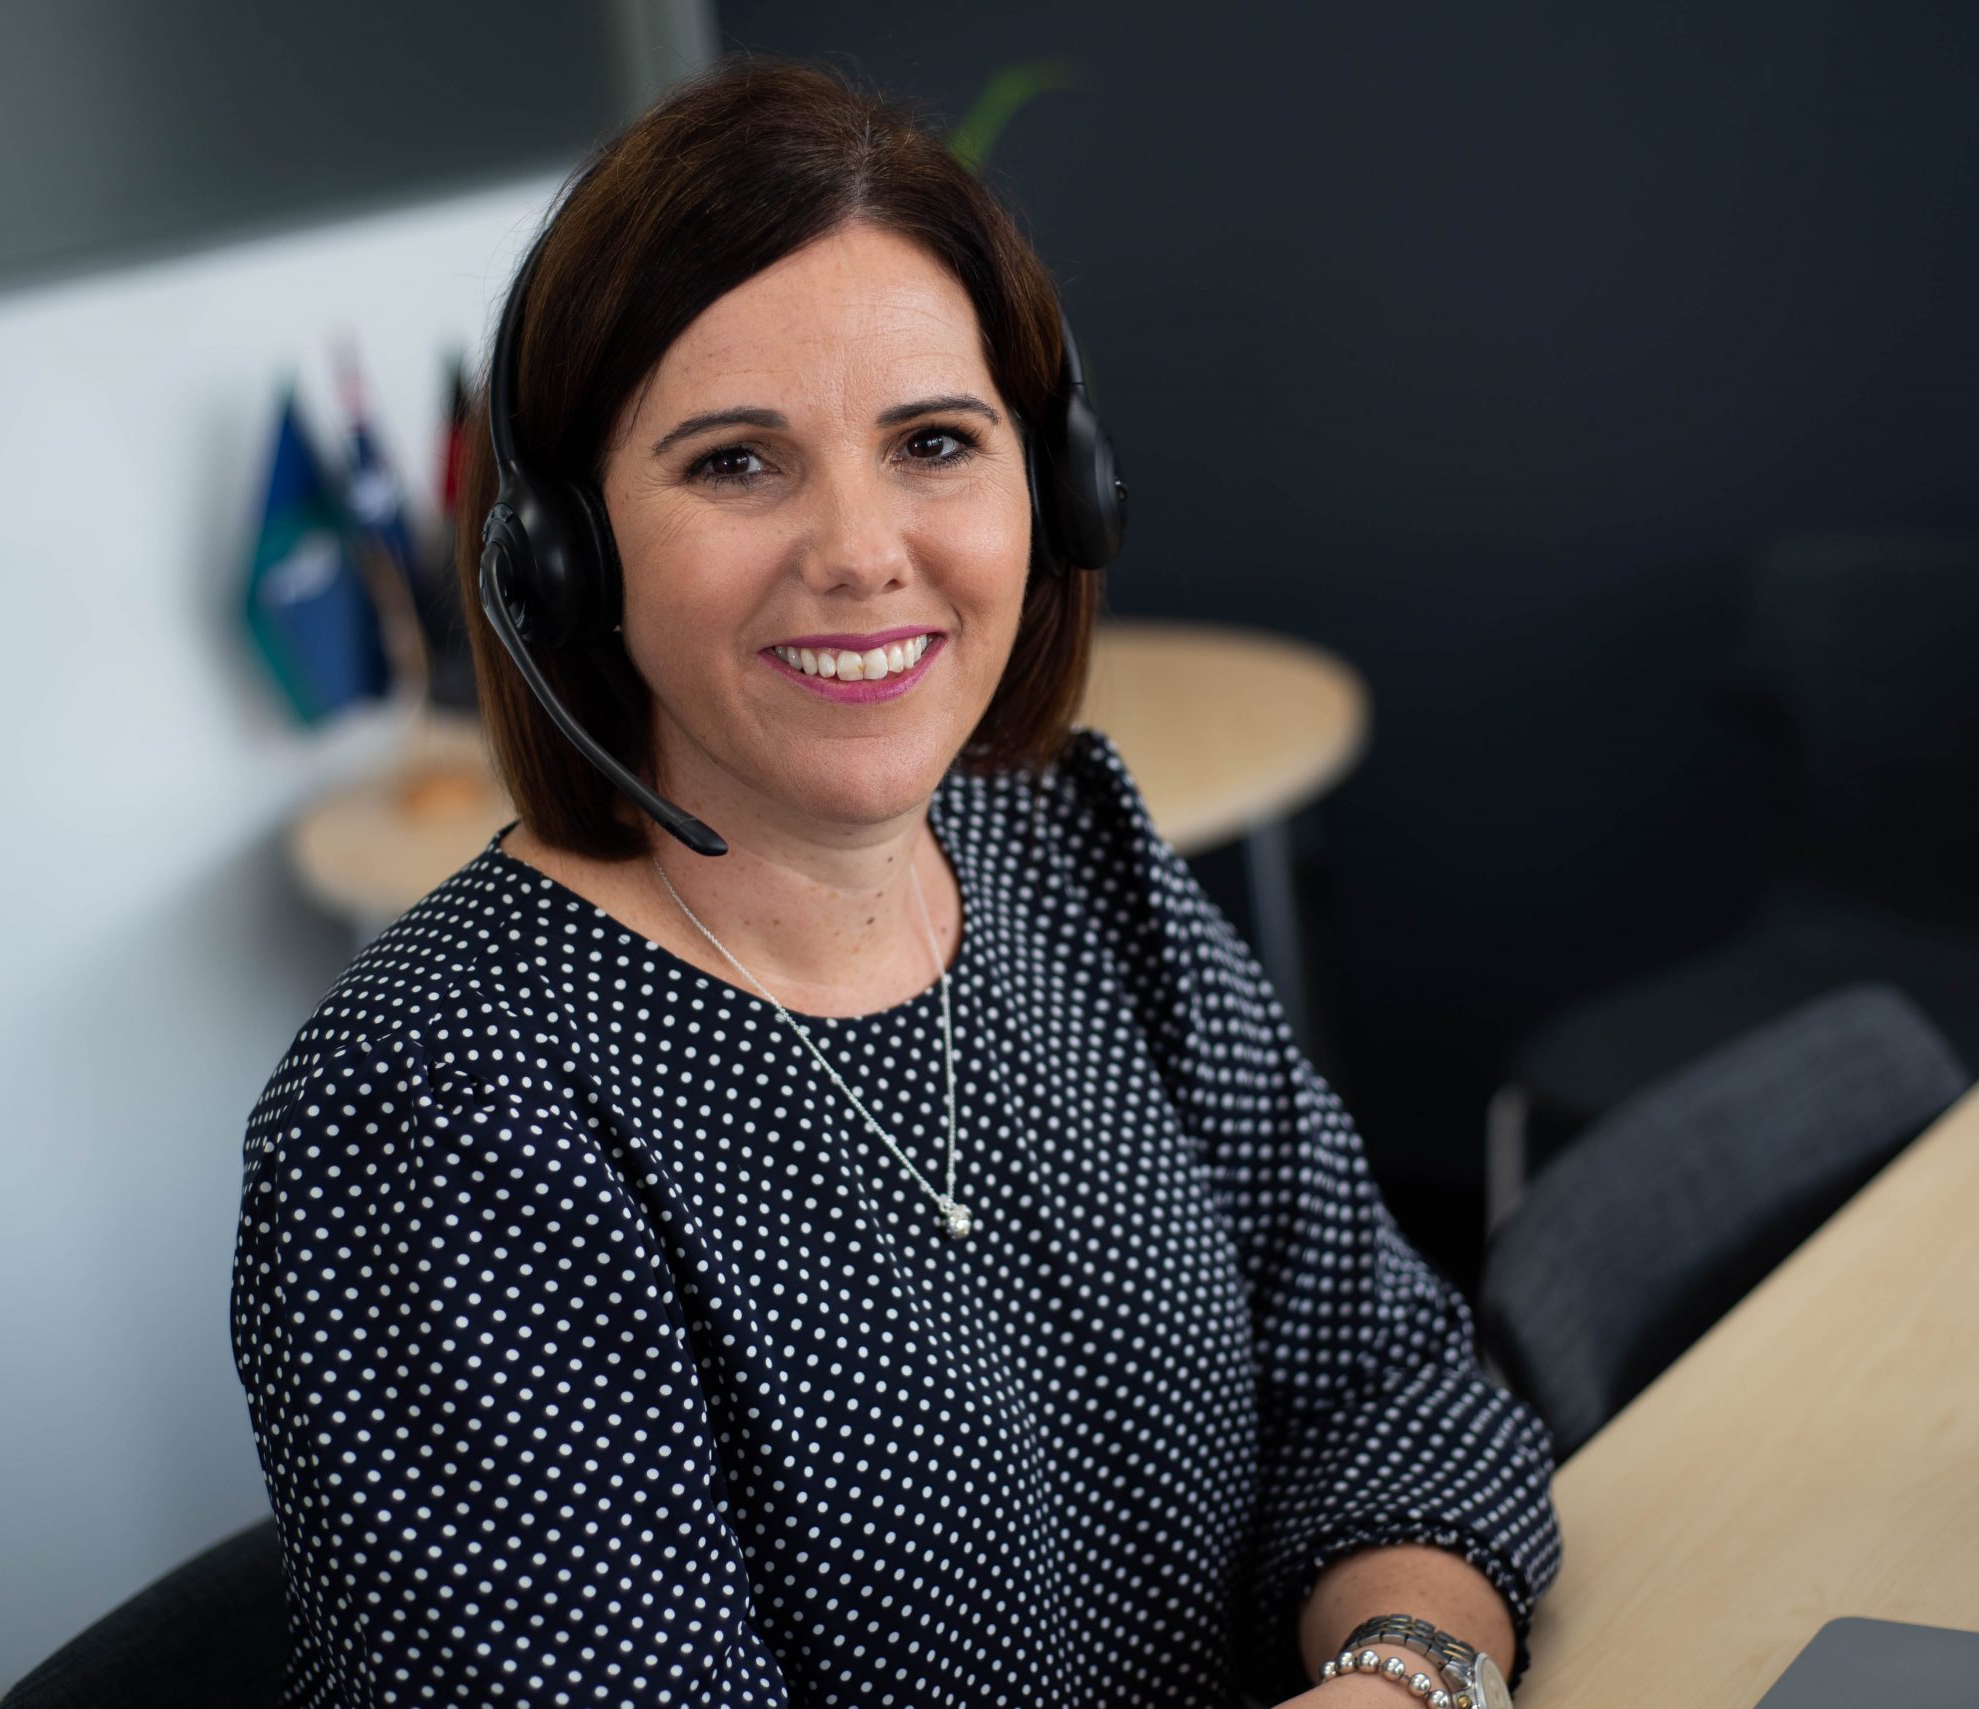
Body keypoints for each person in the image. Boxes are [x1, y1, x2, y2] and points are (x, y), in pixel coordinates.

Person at [230, 53, 1559, 1709]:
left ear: (1054, 489)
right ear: (563, 557)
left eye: (935, 440)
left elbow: (1392, 1376)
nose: (862, 549)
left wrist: (1400, 1673)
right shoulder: (439, 1108)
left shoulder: (1067, 845)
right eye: (736, 461)